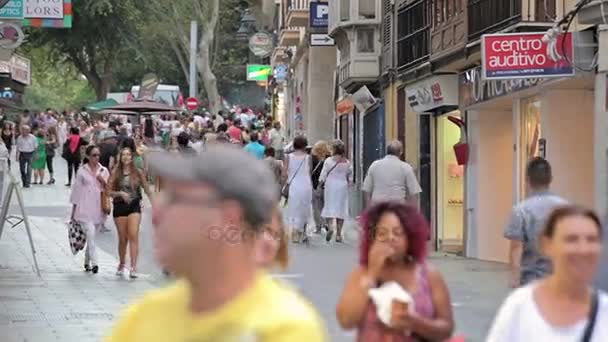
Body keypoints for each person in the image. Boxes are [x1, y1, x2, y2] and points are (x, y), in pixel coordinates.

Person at [106, 144, 327, 341]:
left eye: (177, 201)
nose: (158, 215)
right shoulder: (144, 318)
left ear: (229, 218)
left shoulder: (283, 329)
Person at [336, 201, 454, 341]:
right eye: (381, 233)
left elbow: (446, 328)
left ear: (410, 238)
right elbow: (346, 321)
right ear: (372, 239)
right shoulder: (361, 274)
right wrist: (372, 274)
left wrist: (414, 323)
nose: (390, 238)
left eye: (398, 233)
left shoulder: (429, 275)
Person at [487, 205, 607, 341]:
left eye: (591, 240)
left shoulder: (604, 311)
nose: (583, 249)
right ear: (546, 245)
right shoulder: (520, 306)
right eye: (571, 239)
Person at [504, 157, 567, 288]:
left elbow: (516, 248)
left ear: (527, 180)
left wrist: (515, 278)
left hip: (531, 282)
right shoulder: (566, 208)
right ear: (550, 179)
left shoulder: (521, 210)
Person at [107, 148, 153, 279]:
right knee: (123, 239)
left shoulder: (137, 172)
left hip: (134, 206)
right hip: (120, 206)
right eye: (123, 155)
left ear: (132, 158)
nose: (126, 157)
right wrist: (120, 193)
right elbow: (108, 191)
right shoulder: (115, 173)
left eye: (128, 154)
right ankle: (122, 263)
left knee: (133, 235)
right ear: (120, 157)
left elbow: (147, 189)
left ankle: (133, 267)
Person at [69, 145, 110, 274]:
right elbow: (76, 192)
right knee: (91, 235)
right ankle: (95, 264)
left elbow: (109, 190)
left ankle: (87, 262)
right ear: (88, 156)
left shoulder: (104, 170)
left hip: (98, 208)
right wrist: (73, 211)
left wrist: (102, 180)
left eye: (98, 155)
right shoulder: (82, 171)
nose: (96, 158)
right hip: (84, 208)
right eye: (94, 155)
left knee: (92, 237)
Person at [362, 141, 421, 207]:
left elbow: (366, 190)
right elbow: (413, 193)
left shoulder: (374, 165)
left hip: (377, 207)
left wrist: (369, 208)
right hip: (397, 207)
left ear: (386, 151)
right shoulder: (406, 167)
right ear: (400, 152)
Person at [320, 140, 353, 243]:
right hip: (342, 186)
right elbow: (350, 177)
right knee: (341, 208)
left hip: (330, 185)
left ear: (333, 149)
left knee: (330, 206)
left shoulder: (328, 161)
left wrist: (320, 183)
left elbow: (323, 175)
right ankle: (338, 234)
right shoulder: (347, 162)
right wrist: (349, 184)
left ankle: (330, 227)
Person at [283, 135, 313, 244]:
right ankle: (303, 232)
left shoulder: (288, 157)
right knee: (305, 207)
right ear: (305, 145)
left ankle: (295, 232)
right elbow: (309, 172)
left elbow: (284, 173)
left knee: (295, 207)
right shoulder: (308, 157)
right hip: (306, 185)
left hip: (294, 185)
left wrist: (285, 182)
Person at [311, 141, 331, 235]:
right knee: (326, 207)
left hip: (316, 186)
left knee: (316, 208)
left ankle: (319, 227)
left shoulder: (313, 159)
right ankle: (327, 224)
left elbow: (310, 172)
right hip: (327, 187)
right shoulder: (330, 159)